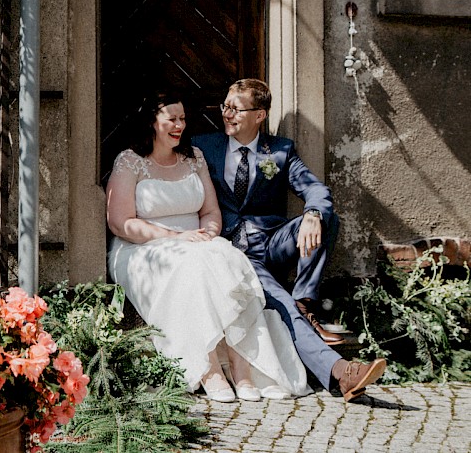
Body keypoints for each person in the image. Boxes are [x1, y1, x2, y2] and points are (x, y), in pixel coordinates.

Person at [106, 91, 310, 402]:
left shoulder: (195, 157)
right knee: (195, 265)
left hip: (197, 242)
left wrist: (210, 233)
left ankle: (242, 368)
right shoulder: (130, 161)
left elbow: (211, 212)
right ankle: (210, 368)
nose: (179, 125)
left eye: (183, 119)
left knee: (228, 257)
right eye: (171, 119)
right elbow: (121, 223)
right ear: (152, 122)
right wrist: (172, 237)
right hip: (143, 247)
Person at [191, 78, 386, 402]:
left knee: (325, 218)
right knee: (280, 304)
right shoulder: (203, 146)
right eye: (224, 106)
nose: (226, 114)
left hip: (274, 242)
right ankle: (342, 373)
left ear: (260, 115)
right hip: (237, 255)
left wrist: (312, 213)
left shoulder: (279, 151)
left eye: (235, 109)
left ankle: (305, 299)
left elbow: (315, 189)